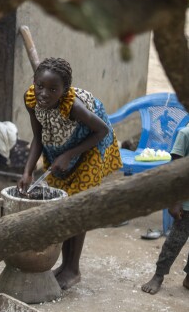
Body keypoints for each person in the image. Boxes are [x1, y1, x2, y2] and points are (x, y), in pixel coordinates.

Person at [18, 57, 122, 290]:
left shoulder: (74, 107)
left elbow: (102, 131)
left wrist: (70, 154)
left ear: (65, 91)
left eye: (53, 89)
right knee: (61, 203)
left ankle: (73, 269)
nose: (44, 93)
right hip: (60, 146)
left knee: (76, 207)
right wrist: (27, 172)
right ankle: (64, 266)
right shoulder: (32, 100)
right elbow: (37, 137)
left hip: (91, 147)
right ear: (34, 82)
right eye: (40, 86)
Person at [141, 125, 189, 295]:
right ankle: (158, 275)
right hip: (186, 204)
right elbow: (175, 171)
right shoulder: (186, 134)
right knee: (174, 241)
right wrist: (174, 201)